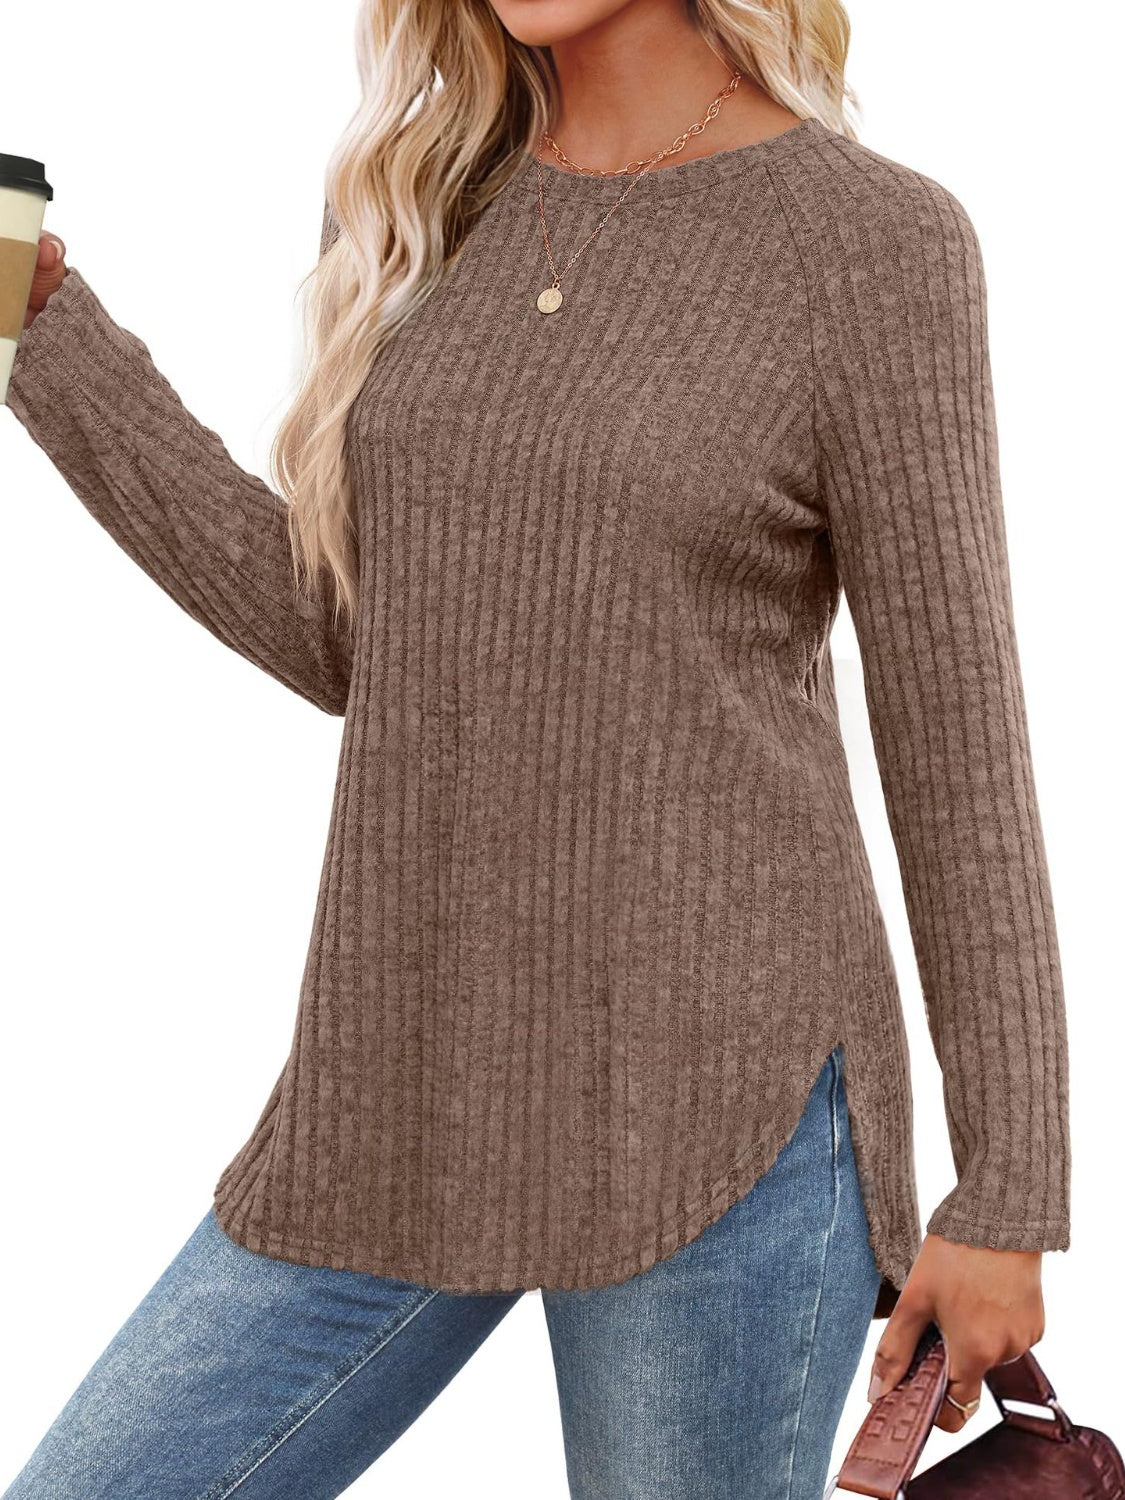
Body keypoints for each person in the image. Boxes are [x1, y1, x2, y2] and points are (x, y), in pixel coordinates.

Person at [1, 0, 1070, 1495]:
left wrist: (1009, 1184)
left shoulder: (870, 243)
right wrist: (41, 328)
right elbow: (352, 642)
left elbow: (957, 746)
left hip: (722, 1105)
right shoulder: (424, 206)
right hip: (404, 1086)